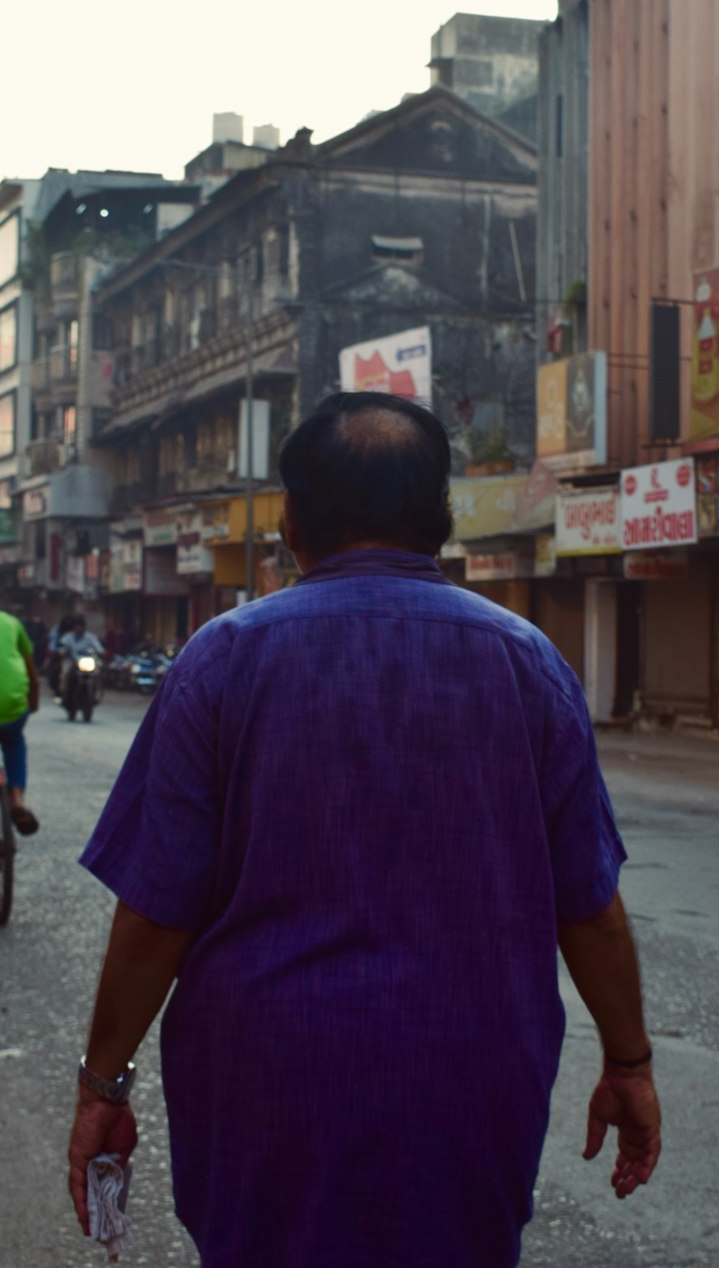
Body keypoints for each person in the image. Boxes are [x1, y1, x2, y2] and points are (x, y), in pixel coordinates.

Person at [68, 392, 661, 1267]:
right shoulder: (526, 662)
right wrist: (630, 1064)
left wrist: (102, 1084)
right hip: (470, 1080)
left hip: (266, 1085)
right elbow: (590, 907)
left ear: (291, 525)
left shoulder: (222, 661)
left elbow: (157, 914)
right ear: (443, 522)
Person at [0, 607, 42, 835]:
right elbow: (33, 674)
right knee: (13, 741)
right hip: (12, 708)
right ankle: (16, 799)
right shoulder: (12, 624)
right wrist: (32, 704)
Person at [57, 615, 103, 698]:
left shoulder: (90, 637)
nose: (79, 628)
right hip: (72, 661)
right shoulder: (68, 637)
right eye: (77, 626)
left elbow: (99, 648)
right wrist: (63, 652)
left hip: (88, 661)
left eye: (81, 626)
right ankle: (63, 693)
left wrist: (102, 653)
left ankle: (97, 694)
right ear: (74, 627)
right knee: (65, 673)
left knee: (98, 672)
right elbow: (62, 648)